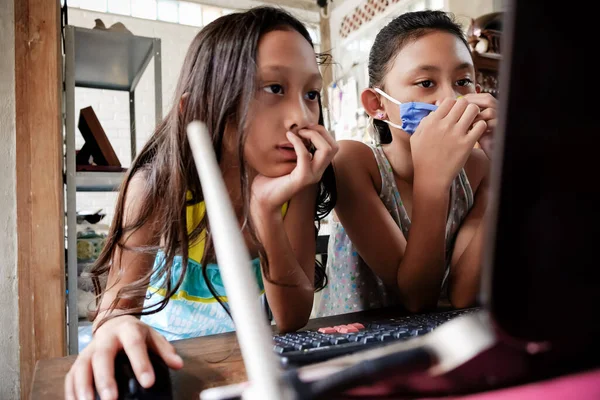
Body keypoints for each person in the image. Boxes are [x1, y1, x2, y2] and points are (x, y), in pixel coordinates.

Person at [65, 7, 338, 400]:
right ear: (201, 108)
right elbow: (117, 309)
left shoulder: (296, 184)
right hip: (166, 370)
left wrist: (265, 212)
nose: (301, 115)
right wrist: (116, 326)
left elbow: (292, 317)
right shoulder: (158, 187)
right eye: (274, 88)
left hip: (247, 371)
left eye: (311, 94)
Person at [316, 10, 496, 318]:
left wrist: (504, 163)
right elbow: (416, 299)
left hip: (437, 346)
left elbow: (464, 294)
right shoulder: (351, 162)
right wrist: (433, 182)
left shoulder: (478, 167)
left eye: (463, 81)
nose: (451, 100)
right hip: (352, 351)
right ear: (377, 104)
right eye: (426, 82)